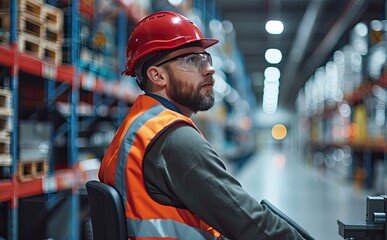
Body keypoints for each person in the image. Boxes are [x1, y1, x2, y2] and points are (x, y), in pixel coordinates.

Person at [98, 10, 306, 240]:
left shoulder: (137, 126)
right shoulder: (173, 138)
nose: (209, 69)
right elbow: (249, 222)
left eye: (206, 58)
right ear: (157, 76)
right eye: (192, 60)